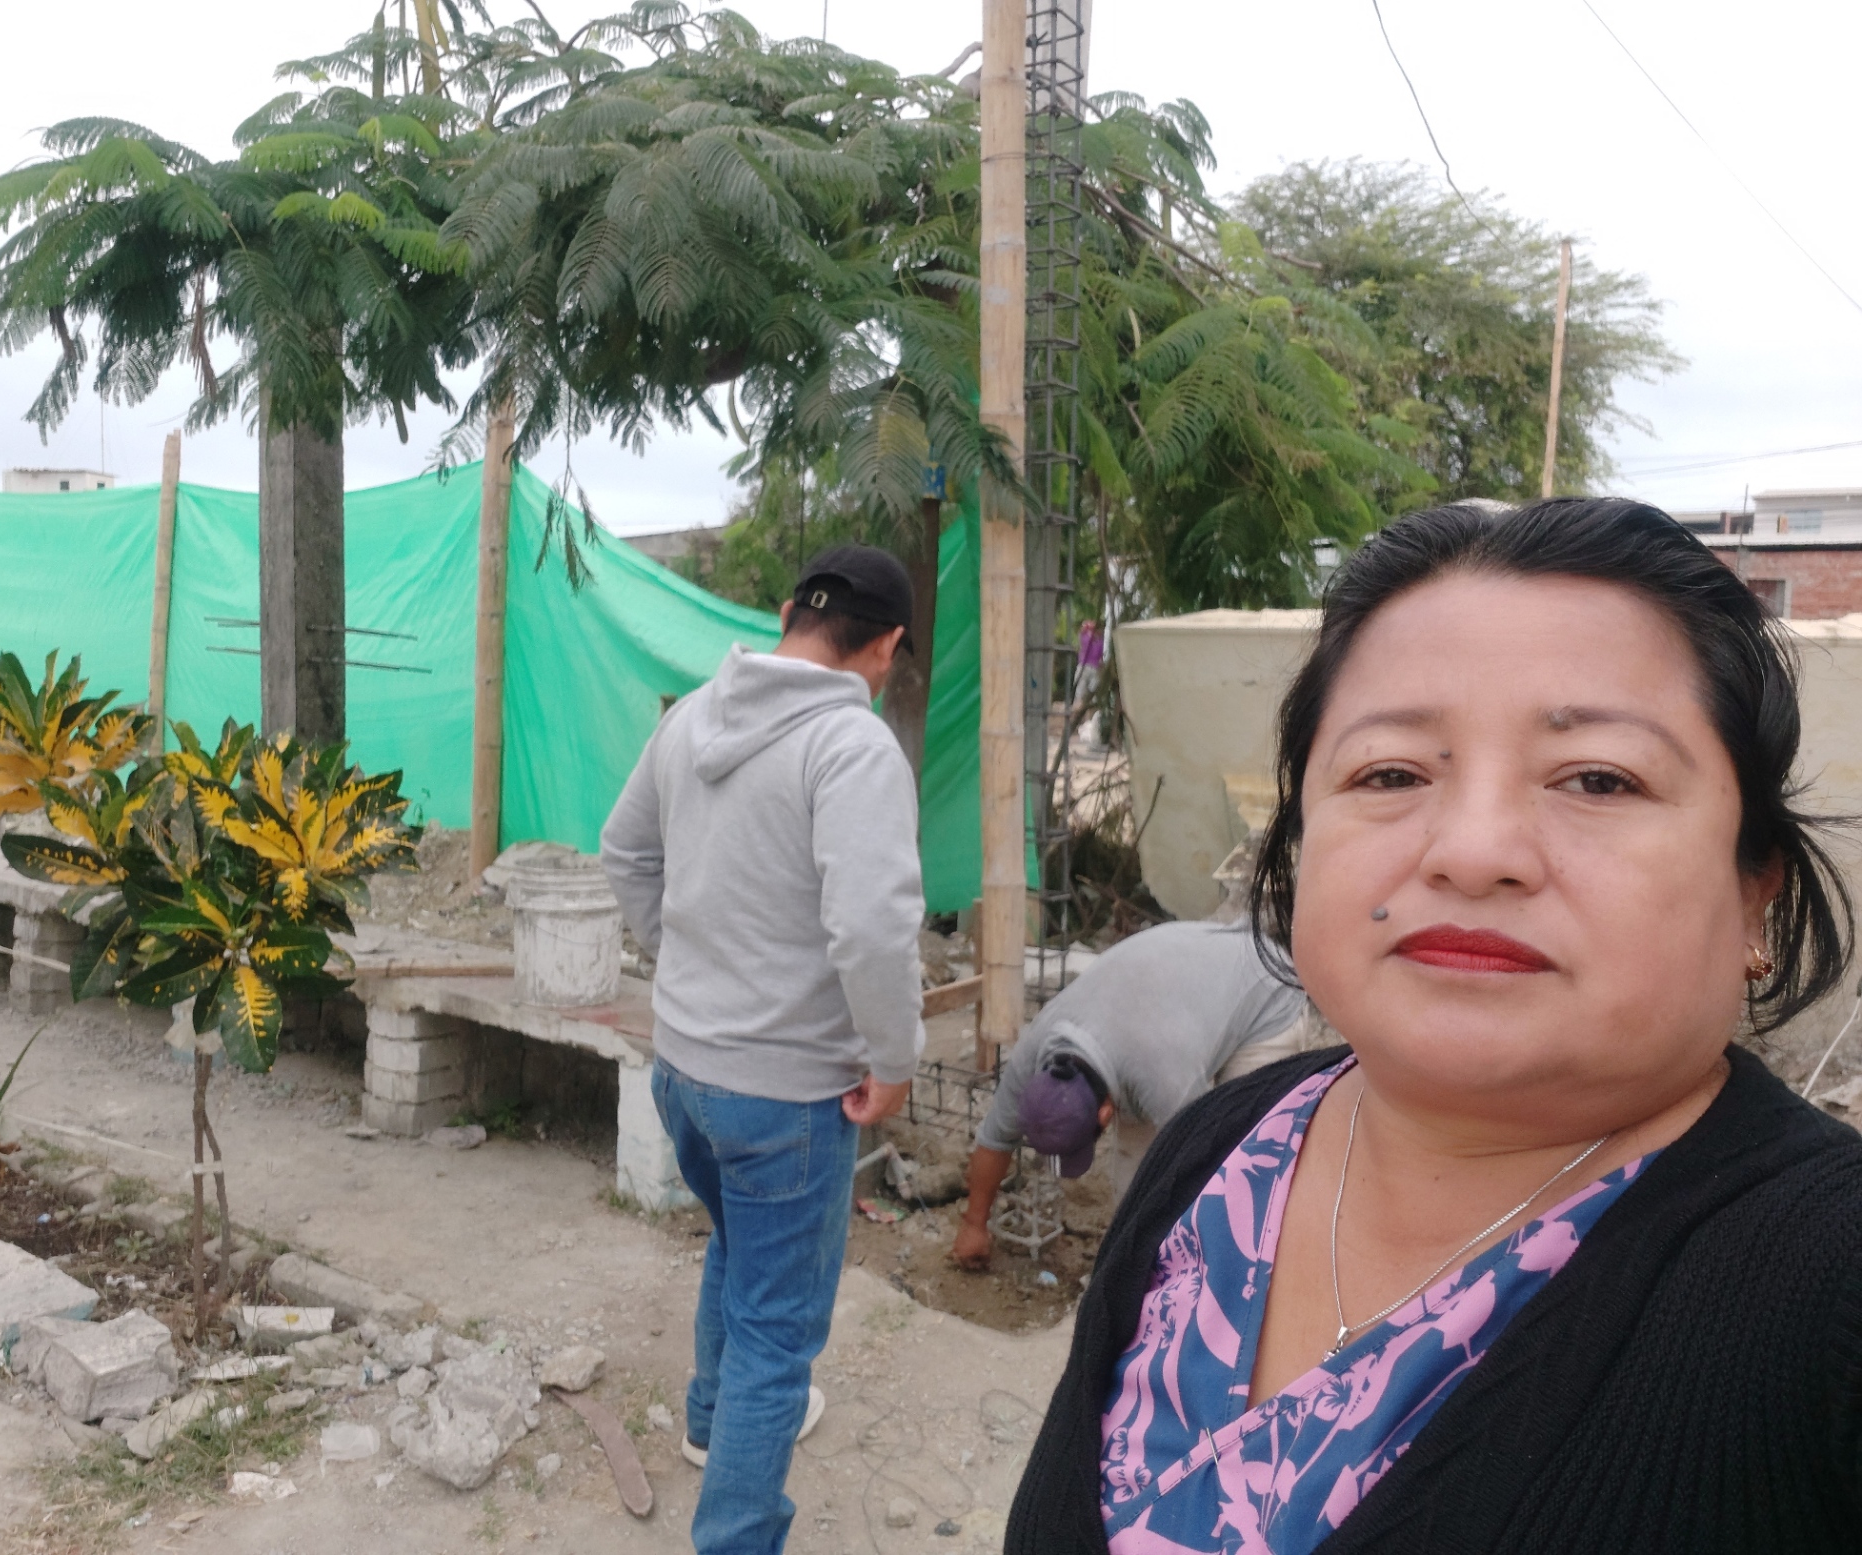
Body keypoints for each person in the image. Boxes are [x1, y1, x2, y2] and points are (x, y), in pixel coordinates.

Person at [1007, 498, 1862, 1554]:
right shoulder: (1211, 1148)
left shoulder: (1828, 1288)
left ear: (1754, 890)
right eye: (1392, 773)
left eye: (1599, 778)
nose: (1471, 850)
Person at [601, 544, 927, 1555]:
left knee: (738, 1246)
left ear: (787, 613)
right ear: (886, 645)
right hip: (787, 1093)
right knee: (779, 1334)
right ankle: (736, 1534)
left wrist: (685, 967)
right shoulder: (851, 744)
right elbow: (871, 928)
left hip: (683, 1069)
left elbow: (624, 850)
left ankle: (708, 1420)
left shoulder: (691, 716)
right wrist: (894, 1058)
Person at [950, 921, 1309, 1270]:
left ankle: (1235, 1271)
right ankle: (1134, 1263)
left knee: (1242, 1149)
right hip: (1179, 990)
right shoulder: (1033, 1055)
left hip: (1265, 990)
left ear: (1106, 1113)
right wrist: (974, 1225)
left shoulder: (1163, 1080)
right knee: (1136, 1174)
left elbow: (1205, 1166)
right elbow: (994, 1140)